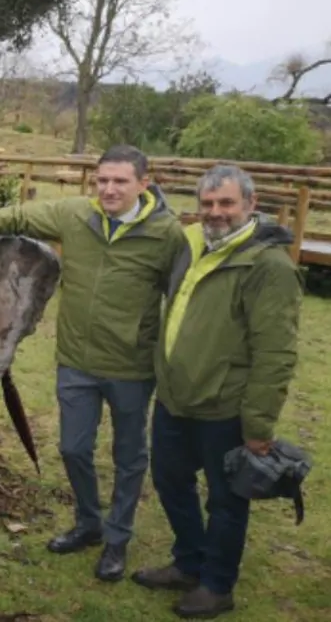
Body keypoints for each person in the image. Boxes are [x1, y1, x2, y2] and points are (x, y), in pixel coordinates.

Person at [0, 145, 184, 582]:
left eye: (120, 181)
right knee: (73, 448)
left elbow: (183, 295)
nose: (109, 189)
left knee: (129, 455)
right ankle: (88, 523)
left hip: (131, 366)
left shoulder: (167, 234)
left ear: (143, 183)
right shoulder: (75, 214)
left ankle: (117, 539)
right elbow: (18, 217)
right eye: (103, 180)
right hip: (76, 361)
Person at [131, 164, 303, 619]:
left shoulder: (268, 267)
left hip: (224, 407)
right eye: (207, 203)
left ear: (251, 204)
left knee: (226, 500)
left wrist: (259, 425)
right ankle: (189, 562)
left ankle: (217, 584)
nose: (215, 212)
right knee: (170, 481)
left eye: (226, 203)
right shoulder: (192, 244)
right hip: (175, 398)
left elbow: (275, 352)